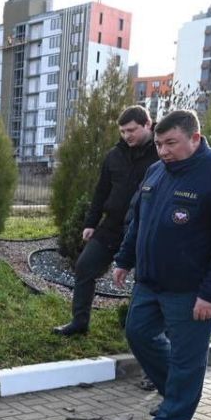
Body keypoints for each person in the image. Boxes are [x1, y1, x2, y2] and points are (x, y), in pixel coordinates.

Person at [112, 109, 211, 420]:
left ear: (195, 138)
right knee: (139, 334)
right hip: (151, 282)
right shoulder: (156, 172)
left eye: (171, 143)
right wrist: (123, 260)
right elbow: (139, 222)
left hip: (192, 291)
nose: (163, 151)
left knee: (187, 359)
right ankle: (173, 394)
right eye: (159, 144)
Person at [53, 105, 158, 336]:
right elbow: (101, 191)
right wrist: (91, 223)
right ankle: (79, 323)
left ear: (148, 125)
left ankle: (142, 329)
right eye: (122, 131)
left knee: (146, 279)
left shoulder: (161, 154)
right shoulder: (114, 155)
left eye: (131, 130)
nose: (127, 136)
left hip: (144, 228)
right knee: (84, 267)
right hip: (111, 226)